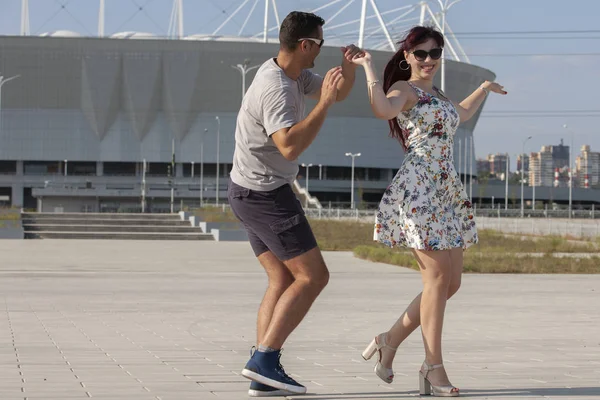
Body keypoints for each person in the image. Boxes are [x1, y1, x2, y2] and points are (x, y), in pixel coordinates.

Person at [350, 26, 507, 397]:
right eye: (420, 53)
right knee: (435, 280)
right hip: (419, 189)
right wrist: (369, 67)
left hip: (445, 190)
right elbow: (381, 108)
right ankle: (432, 366)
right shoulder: (405, 90)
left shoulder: (436, 93)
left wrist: (483, 89)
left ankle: (388, 341)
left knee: (450, 284)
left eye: (435, 53)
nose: (428, 59)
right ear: (407, 57)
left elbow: (460, 114)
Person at [227, 11, 364, 397]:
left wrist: (346, 68)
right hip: (266, 196)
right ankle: (265, 359)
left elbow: (339, 91)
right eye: (320, 44)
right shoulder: (278, 88)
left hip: (246, 192)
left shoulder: (291, 73)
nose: (320, 49)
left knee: (282, 278)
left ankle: (261, 373)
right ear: (305, 45)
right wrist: (322, 106)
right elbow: (289, 146)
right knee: (314, 277)